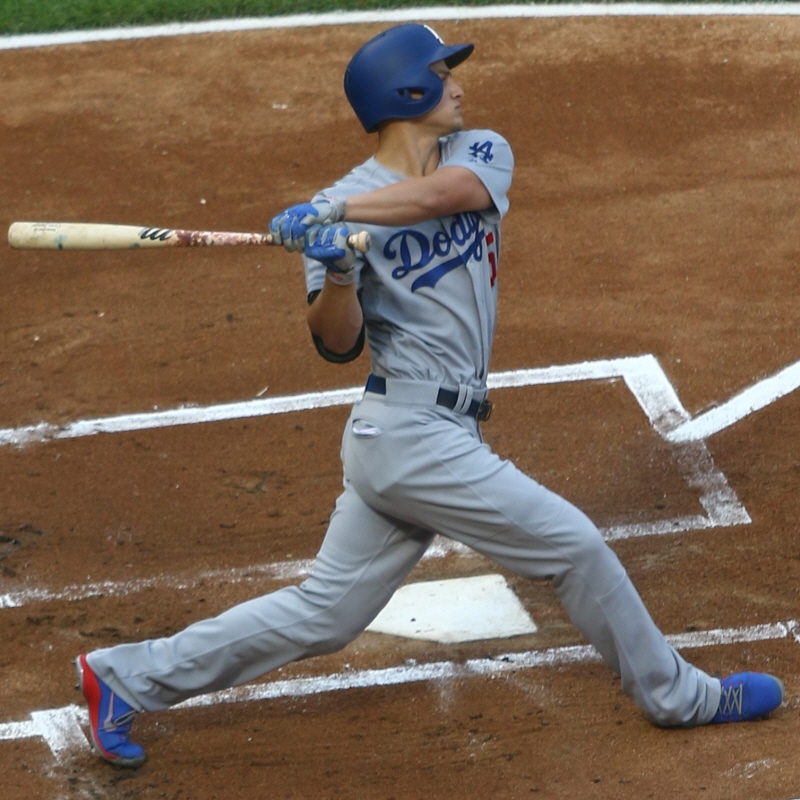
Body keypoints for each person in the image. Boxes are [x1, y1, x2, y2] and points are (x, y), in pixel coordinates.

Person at [74, 23, 783, 769]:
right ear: (405, 90)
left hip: (431, 437)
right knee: (574, 547)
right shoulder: (334, 204)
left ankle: (121, 676)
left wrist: (341, 220)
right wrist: (337, 270)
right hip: (407, 433)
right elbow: (337, 342)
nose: (458, 85)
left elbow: (451, 196)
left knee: (325, 615)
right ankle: (681, 698)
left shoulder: (474, 154)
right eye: (443, 74)